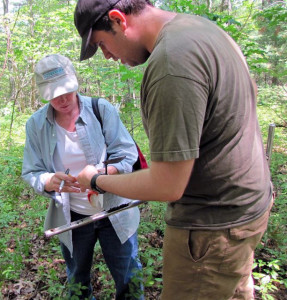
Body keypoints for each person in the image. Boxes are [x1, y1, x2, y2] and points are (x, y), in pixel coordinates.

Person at [74, 1, 274, 299]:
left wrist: (95, 180)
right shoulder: (204, 30)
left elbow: (167, 184)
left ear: (118, 20)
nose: (108, 56)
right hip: (249, 211)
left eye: (103, 44)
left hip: (211, 231)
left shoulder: (171, 63)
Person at [21, 53, 144, 300]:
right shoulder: (36, 125)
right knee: (78, 282)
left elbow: (127, 154)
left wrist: (97, 176)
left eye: (66, 90)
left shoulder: (101, 110)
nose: (62, 99)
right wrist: (48, 181)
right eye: (53, 94)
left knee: (128, 278)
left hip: (114, 210)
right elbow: (32, 171)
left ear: (75, 81)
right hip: (71, 217)